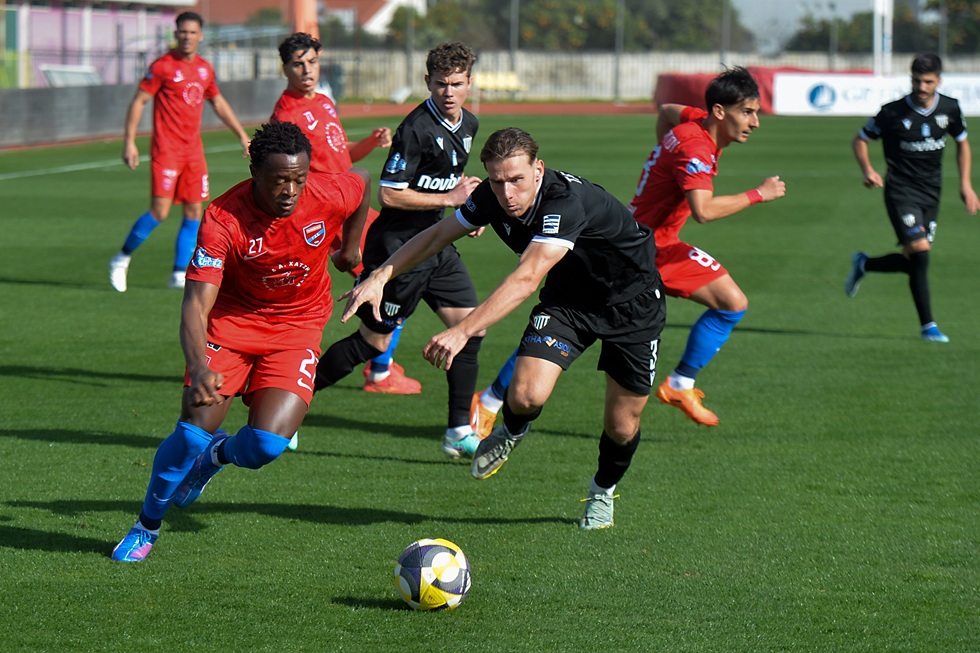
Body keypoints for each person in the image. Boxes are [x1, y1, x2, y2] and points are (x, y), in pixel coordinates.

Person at [341, 127, 666, 530]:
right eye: (497, 181)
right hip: (568, 303)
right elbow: (438, 235)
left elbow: (526, 278)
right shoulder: (490, 198)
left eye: (516, 179)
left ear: (538, 169)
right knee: (526, 395)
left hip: (632, 307)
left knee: (621, 426)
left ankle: (602, 490)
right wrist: (381, 274)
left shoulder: (564, 203)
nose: (507, 193)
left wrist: (462, 330)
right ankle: (511, 432)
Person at [470, 66, 785, 432]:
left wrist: (663, 151)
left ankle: (680, 384)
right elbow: (703, 210)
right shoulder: (696, 149)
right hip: (647, 250)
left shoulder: (692, 121)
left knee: (730, 302)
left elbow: (667, 110)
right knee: (568, 322)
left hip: (648, 237)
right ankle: (490, 400)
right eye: (747, 112)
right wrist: (759, 193)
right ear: (718, 111)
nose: (755, 121)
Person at [110, 121, 370, 562]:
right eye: (279, 180)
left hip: (298, 324)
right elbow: (196, 304)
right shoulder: (222, 219)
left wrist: (351, 250)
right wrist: (198, 365)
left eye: (298, 179)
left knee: (267, 445)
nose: (290, 191)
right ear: (254, 172)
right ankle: (146, 526)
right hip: (231, 325)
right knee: (190, 434)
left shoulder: (326, 193)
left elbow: (361, 182)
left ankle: (216, 457)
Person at [312, 42, 483, 461]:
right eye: (440, 84)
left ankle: (458, 431)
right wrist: (450, 201)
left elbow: (452, 179)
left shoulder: (469, 123)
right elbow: (389, 194)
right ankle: (289, 403)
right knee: (372, 343)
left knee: (471, 330)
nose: (448, 92)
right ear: (428, 82)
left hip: (438, 246)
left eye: (456, 84)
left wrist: (467, 213)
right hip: (398, 252)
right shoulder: (416, 128)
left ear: (469, 83)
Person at [109, 11, 251, 293]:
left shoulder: (204, 69)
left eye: (192, 32)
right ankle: (121, 258)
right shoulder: (163, 66)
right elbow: (139, 101)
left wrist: (242, 135)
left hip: (193, 152)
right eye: (182, 32)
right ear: (176, 34)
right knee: (160, 211)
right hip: (166, 151)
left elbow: (218, 102)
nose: (187, 37)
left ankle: (177, 272)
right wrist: (130, 141)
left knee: (194, 211)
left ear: (200, 36)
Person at [846, 53, 978, 343]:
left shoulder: (950, 108)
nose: (921, 87)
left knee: (915, 260)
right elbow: (860, 140)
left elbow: (962, 143)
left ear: (938, 81)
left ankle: (864, 264)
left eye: (928, 82)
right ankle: (928, 327)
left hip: (932, 193)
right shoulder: (892, 112)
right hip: (900, 191)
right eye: (917, 81)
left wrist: (966, 185)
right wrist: (868, 170)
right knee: (920, 250)